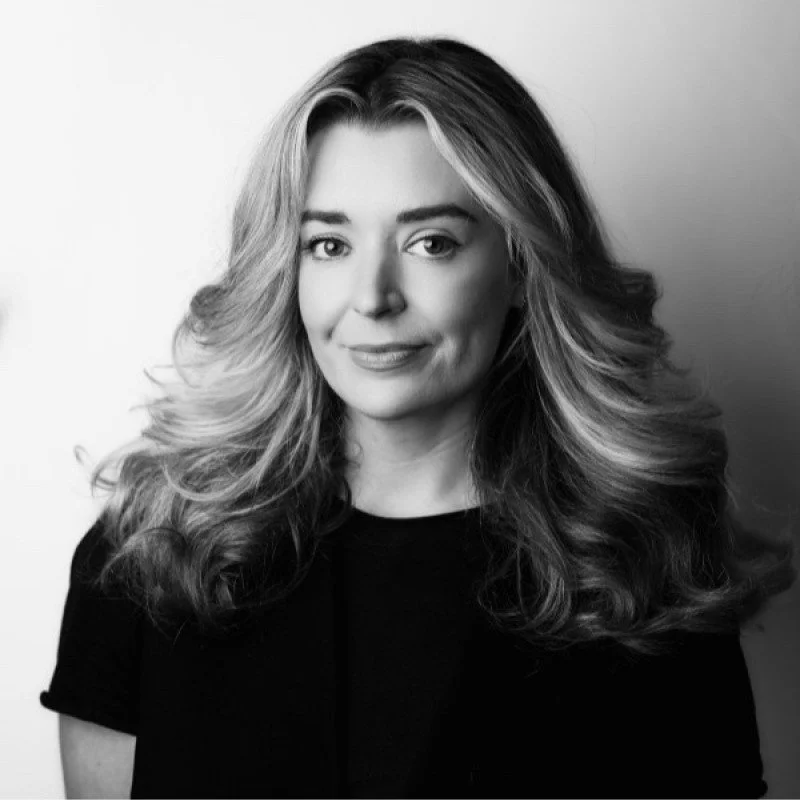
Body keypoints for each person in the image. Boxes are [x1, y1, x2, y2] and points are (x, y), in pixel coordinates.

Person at [40, 36, 796, 799]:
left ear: (519, 267)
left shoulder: (642, 564)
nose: (372, 296)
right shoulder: (153, 552)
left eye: (430, 242)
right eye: (329, 244)